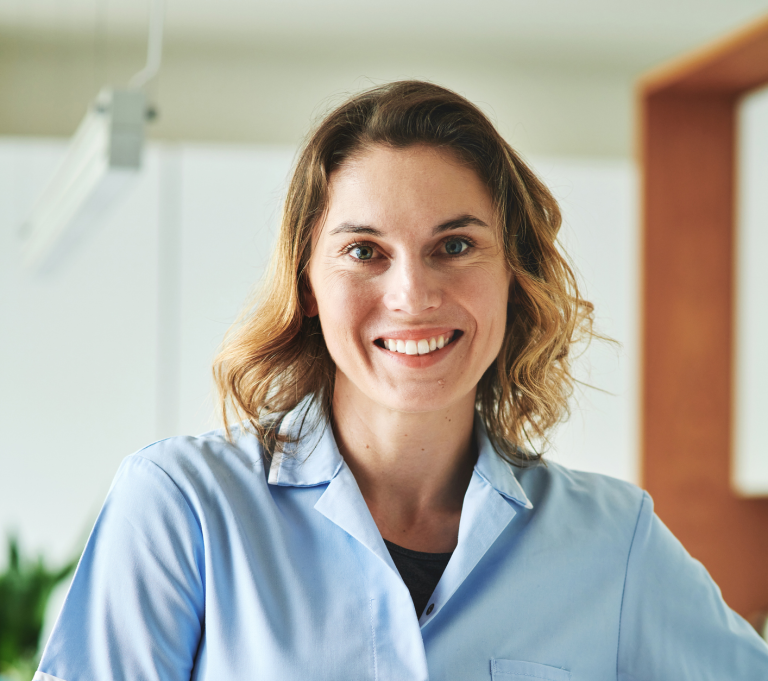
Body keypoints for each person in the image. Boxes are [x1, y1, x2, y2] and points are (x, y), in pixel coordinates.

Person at [35, 81, 768, 681]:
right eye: (364, 250)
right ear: (309, 283)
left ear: (512, 275)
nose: (413, 294)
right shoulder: (182, 509)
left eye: (455, 244)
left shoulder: (614, 542)